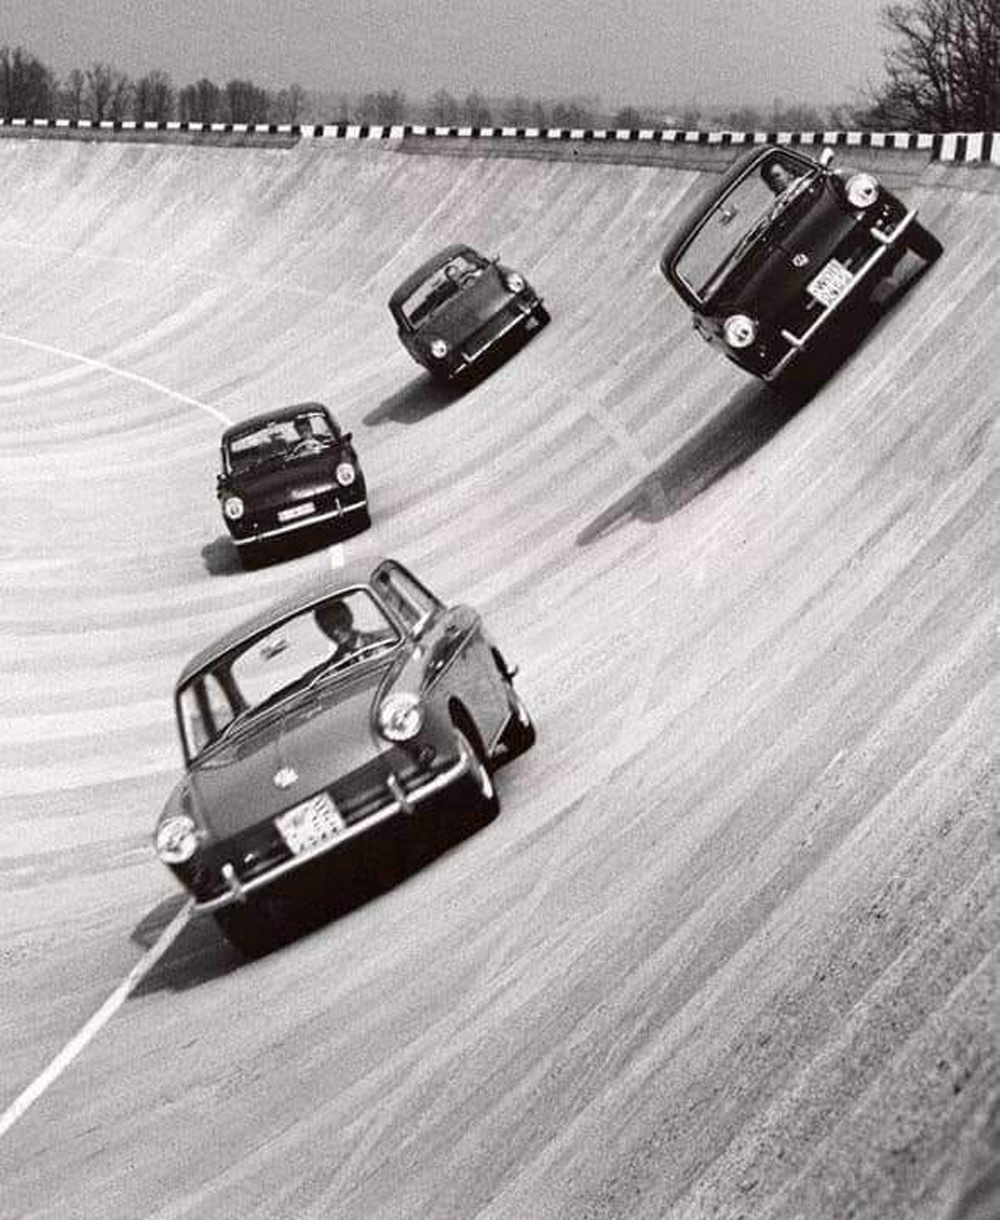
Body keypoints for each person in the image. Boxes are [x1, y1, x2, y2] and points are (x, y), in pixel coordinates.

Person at [314, 599, 391, 662]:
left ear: (350, 618)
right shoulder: (335, 666)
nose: (335, 632)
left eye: (338, 622)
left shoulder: (386, 640)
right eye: (327, 627)